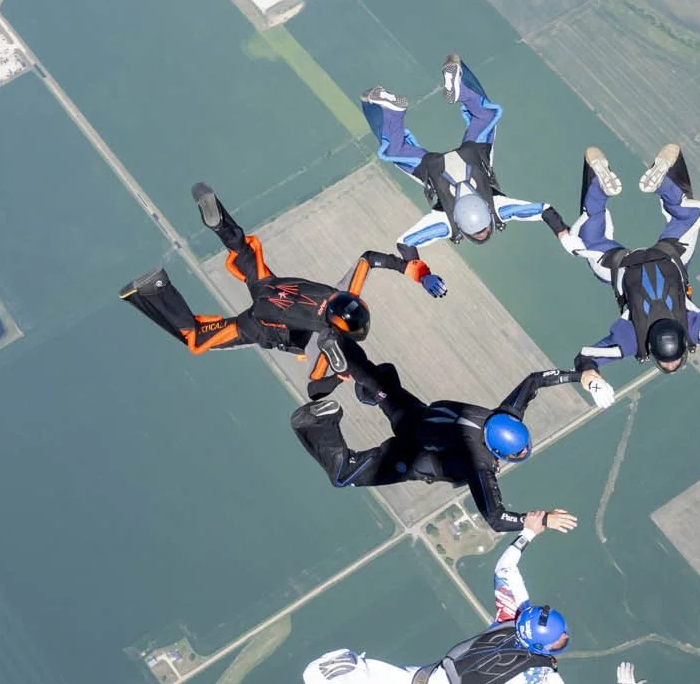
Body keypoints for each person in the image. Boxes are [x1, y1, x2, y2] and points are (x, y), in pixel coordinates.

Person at [300, 518, 635, 684]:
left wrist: (529, 533)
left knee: (385, 682)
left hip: (437, 676)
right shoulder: (539, 677)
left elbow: (504, 569)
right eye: (560, 638)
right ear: (544, 645)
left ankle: (355, 669)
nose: (564, 639)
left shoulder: (511, 614)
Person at [120, 182, 444, 389]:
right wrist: (342, 379)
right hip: (257, 325)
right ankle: (156, 288)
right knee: (195, 339)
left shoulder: (344, 293)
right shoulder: (327, 338)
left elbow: (369, 258)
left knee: (244, 249)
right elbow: (317, 384)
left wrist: (416, 272)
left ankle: (219, 220)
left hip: (270, 288)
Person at [286, 359, 593, 524]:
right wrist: (537, 520)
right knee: (344, 475)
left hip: (416, 416)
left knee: (380, 385)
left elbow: (535, 380)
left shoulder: (501, 416)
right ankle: (321, 421)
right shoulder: (480, 463)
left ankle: (351, 362)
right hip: (407, 456)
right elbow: (496, 517)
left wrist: (581, 376)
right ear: (498, 450)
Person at [563, 144, 700, 387]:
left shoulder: (694, 328)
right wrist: (590, 377)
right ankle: (599, 187)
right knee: (590, 239)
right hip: (622, 266)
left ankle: (665, 181)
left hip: (671, 255)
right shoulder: (631, 340)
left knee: (685, 216)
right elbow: (587, 357)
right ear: (652, 351)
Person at [363, 55, 570, 252]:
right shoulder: (445, 224)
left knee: (485, 116)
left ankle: (461, 88)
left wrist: (562, 232)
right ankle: (390, 111)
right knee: (395, 150)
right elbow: (405, 244)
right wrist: (421, 272)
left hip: (473, 153)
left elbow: (544, 210)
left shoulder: (499, 209)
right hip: (431, 166)